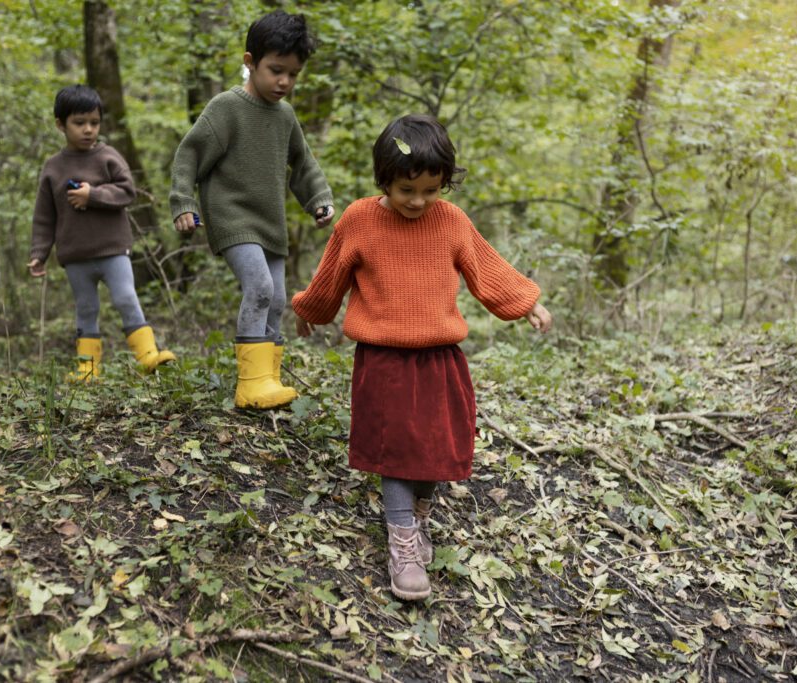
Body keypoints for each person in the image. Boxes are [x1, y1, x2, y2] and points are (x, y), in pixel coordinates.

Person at [292, 114, 553, 601]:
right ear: (384, 179)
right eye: (406, 190)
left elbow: (487, 268)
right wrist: (310, 308)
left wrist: (526, 303)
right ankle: (402, 540)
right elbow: (331, 277)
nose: (418, 201)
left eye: (430, 191)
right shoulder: (359, 219)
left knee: (436, 443)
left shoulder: (451, 221)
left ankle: (419, 514)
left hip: (439, 356)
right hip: (383, 356)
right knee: (396, 450)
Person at [169, 9, 334, 410]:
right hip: (232, 216)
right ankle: (250, 384)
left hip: (269, 221)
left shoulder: (286, 116)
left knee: (277, 299)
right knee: (259, 288)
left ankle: (269, 381)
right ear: (250, 62)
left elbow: (303, 162)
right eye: (276, 70)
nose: (284, 82)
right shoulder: (226, 108)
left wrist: (319, 199)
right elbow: (187, 155)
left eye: (293, 75)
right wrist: (183, 202)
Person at [28, 84, 175, 381]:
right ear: (60, 124)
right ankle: (87, 367)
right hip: (75, 255)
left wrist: (92, 194)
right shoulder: (53, 167)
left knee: (125, 298)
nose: (88, 130)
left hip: (112, 249)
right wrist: (38, 254)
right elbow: (44, 217)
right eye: (79, 123)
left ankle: (148, 356)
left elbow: (127, 191)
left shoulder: (108, 156)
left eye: (94, 122)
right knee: (85, 308)